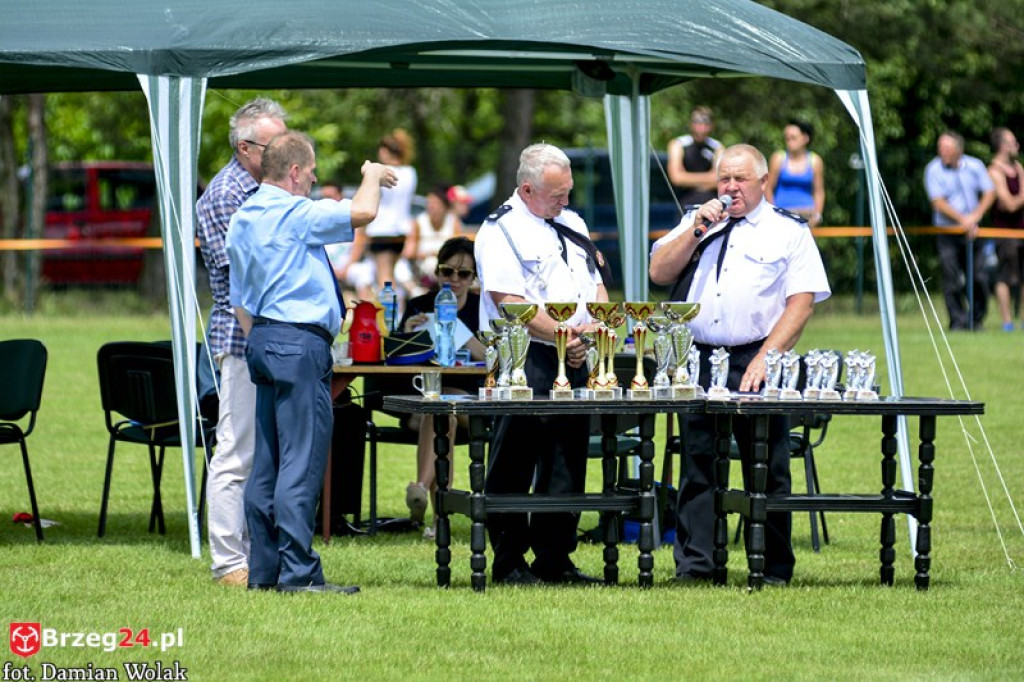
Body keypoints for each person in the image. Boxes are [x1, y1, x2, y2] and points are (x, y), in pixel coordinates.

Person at [649, 143, 831, 586]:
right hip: (699, 355)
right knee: (698, 464)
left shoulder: (787, 230)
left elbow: (802, 301)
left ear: (763, 182)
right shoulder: (699, 220)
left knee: (766, 464)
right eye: (724, 179)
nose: (730, 188)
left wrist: (768, 357)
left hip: (757, 354)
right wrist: (694, 229)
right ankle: (697, 567)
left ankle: (772, 568)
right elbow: (658, 271)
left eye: (740, 179)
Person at [226, 131, 397, 593]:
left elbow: (238, 298)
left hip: (261, 338)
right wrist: (372, 174)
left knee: (267, 464)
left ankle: (265, 572)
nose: (314, 180)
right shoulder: (293, 211)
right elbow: (362, 212)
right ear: (296, 172)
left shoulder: (243, 218)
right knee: (300, 464)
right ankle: (298, 574)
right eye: (313, 173)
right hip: (297, 343)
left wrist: (265, 342)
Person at [474, 143, 610, 586]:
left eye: (568, 192)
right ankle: (509, 561)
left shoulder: (571, 223)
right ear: (527, 189)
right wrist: (563, 335)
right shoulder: (500, 230)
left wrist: (592, 331)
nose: (565, 202)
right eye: (557, 194)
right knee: (515, 455)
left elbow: (596, 284)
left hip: (577, 350)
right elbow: (509, 300)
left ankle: (556, 557)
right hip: (523, 353)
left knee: (567, 457)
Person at [195, 97, 288, 587]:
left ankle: (256, 552)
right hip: (243, 337)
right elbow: (247, 277)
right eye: (275, 146)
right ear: (245, 146)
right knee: (236, 450)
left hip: (272, 336)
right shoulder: (226, 195)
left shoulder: (265, 188)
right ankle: (228, 561)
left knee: (262, 452)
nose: (284, 154)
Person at [397, 236, 485, 537]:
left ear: (474, 278)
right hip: (421, 400)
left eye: (464, 274)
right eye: (448, 272)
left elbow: (492, 358)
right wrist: (409, 335)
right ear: (437, 273)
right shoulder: (418, 305)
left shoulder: (481, 309)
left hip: (471, 402)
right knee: (439, 412)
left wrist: (463, 336)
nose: (454, 280)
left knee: (442, 405)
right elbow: (394, 360)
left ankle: (422, 489)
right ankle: (436, 517)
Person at [924, 130, 996, 331]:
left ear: (958, 149)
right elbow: (938, 202)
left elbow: (989, 192)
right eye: (940, 148)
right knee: (952, 278)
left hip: (973, 231)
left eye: (946, 148)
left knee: (979, 277)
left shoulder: (975, 166)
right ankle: (958, 321)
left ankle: (977, 320)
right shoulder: (933, 170)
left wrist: (974, 217)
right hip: (948, 233)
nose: (941, 152)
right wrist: (964, 220)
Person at [362, 128, 418, 296]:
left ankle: (387, 316)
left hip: (381, 230)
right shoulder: (410, 172)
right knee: (392, 275)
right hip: (401, 230)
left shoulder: (380, 171)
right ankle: (397, 313)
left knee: (384, 278)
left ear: (387, 151)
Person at [396, 183, 465, 297]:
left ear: (445, 206)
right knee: (400, 268)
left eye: (435, 204)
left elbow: (457, 251)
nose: (431, 207)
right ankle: (416, 292)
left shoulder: (453, 222)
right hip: (420, 267)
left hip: (446, 267)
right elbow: (408, 253)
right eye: (429, 203)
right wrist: (426, 254)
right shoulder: (419, 222)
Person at [987, 127, 1024, 331]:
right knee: (1006, 277)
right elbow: (1008, 204)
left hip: (1022, 229)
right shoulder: (994, 170)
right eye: (1013, 142)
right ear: (1002, 145)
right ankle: (1007, 322)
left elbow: (1013, 201)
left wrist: (1016, 200)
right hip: (1004, 232)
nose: (1017, 145)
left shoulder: (1018, 167)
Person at [320, 181, 376, 302]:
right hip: (324, 266)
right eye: (323, 197)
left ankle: (363, 313)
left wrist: (346, 268)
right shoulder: (317, 219)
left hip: (347, 266)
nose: (325, 201)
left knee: (363, 272)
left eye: (329, 197)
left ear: (340, 196)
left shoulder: (352, 218)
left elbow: (358, 245)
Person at [766, 119, 825, 228]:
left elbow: (819, 191)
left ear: (805, 138)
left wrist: (817, 216)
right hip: (781, 215)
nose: (789, 141)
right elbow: (768, 188)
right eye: (787, 138)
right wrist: (773, 213)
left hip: (806, 215)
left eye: (793, 138)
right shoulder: (779, 158)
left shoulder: (815, 161)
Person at [667, 106, 723, 207]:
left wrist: (687, 178)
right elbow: (676, 178)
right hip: (685, 202)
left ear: (712, 125)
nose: (701, 128)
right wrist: (709, 178)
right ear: (691, 124)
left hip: (712, 202)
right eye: (698, 123)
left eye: (706, 123)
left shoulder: (717, 147)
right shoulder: (678, 144)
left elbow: (720, 179)